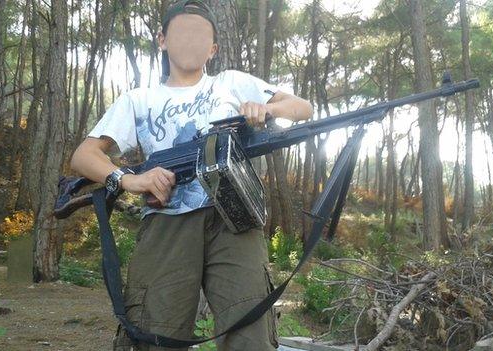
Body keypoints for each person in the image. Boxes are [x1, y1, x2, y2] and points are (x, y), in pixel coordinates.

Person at [70, 1, 313, 350]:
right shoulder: (139, 99)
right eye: (181, 31)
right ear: (162, 40)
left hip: (235, 218)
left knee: (251, 335)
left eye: (201, 35)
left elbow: (302, 107)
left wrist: (267, 109)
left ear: (213, 48)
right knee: (155, 331)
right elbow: (84, 155)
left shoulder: (233, 83)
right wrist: (129, 180)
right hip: (167, 223)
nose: (191, 40)